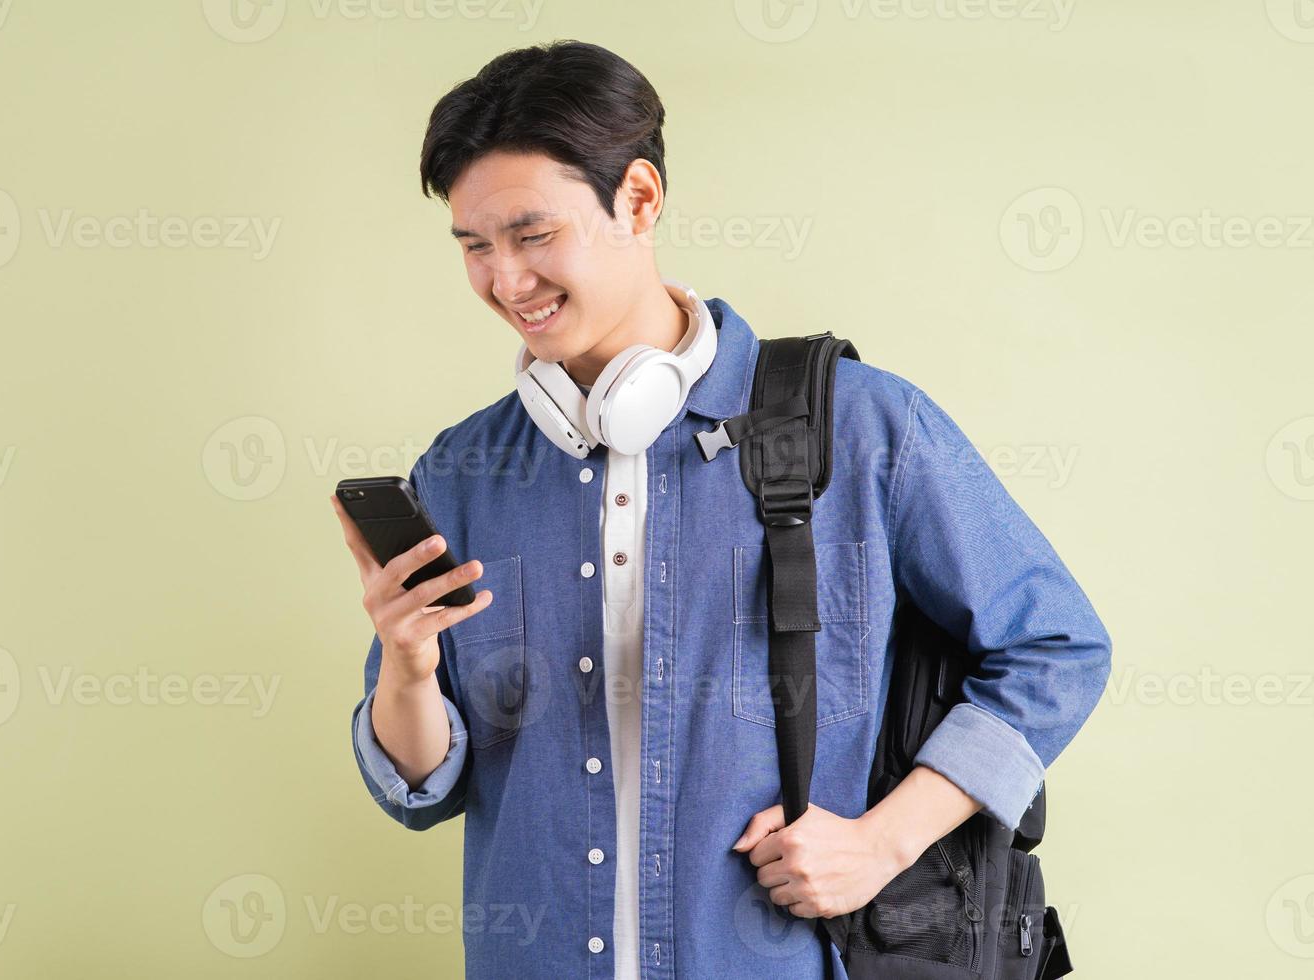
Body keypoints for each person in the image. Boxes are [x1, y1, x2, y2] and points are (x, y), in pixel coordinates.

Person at [334, 39, 1111, 979]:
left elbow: (1056, 646)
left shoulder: (862, 427)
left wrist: (886, 840)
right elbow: (421, 790)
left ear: (640, 199)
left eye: (534, 236)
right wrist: (409, 669)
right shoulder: (463, 471)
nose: (506, 281)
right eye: (474, 246)